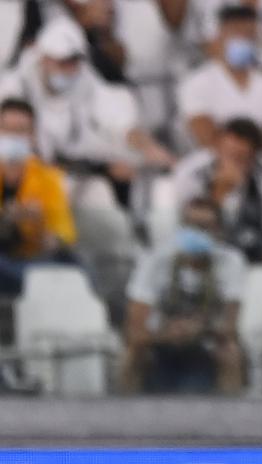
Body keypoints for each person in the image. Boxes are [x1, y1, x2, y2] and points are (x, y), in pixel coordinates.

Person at [0, 17, 175, 205]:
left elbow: (116, 117)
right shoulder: (14, 86)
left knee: (127, 166)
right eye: (63, 62)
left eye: (74, 61)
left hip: (66, 167)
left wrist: (145, 146)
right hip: (19, 169)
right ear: (45, 59)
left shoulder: (84, 79)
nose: (70, 69)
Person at [121, 198, 247, 394]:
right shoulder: (154, 260)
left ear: (218, 231)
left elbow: (230, 326)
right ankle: (125, 414)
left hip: (206, 338)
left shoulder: (231, 262)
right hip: (160, 339)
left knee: (230, 352)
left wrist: (200, 328)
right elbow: (135, 328)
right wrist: (166, 334)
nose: (196, 233)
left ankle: (233, 416)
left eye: (204, 227)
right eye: (190, 226)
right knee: (132, 354)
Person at [173, 117, 262, 262]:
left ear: (254, 155)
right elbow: (188, 221)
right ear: (217, 146)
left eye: (240, 157)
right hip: (202, 253)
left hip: (253, 251)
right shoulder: (192, 171)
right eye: (228, 154)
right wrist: (219, 191)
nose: (231, 163)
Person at [176, 4, 262, 156]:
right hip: (210, 166)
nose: (244, 40)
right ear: (219, 37)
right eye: (237, 34)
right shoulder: (196, 83)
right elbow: (204, 135)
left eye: (249, 35)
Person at [0, 98, 77, 295]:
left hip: (30, 258)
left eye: (20, 130)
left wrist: (39, 226)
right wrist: (7, 218)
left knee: (75, 266)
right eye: (6, 129)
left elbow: (62, 236)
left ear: (32, 136)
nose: (12, 137)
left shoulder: (49, 178)